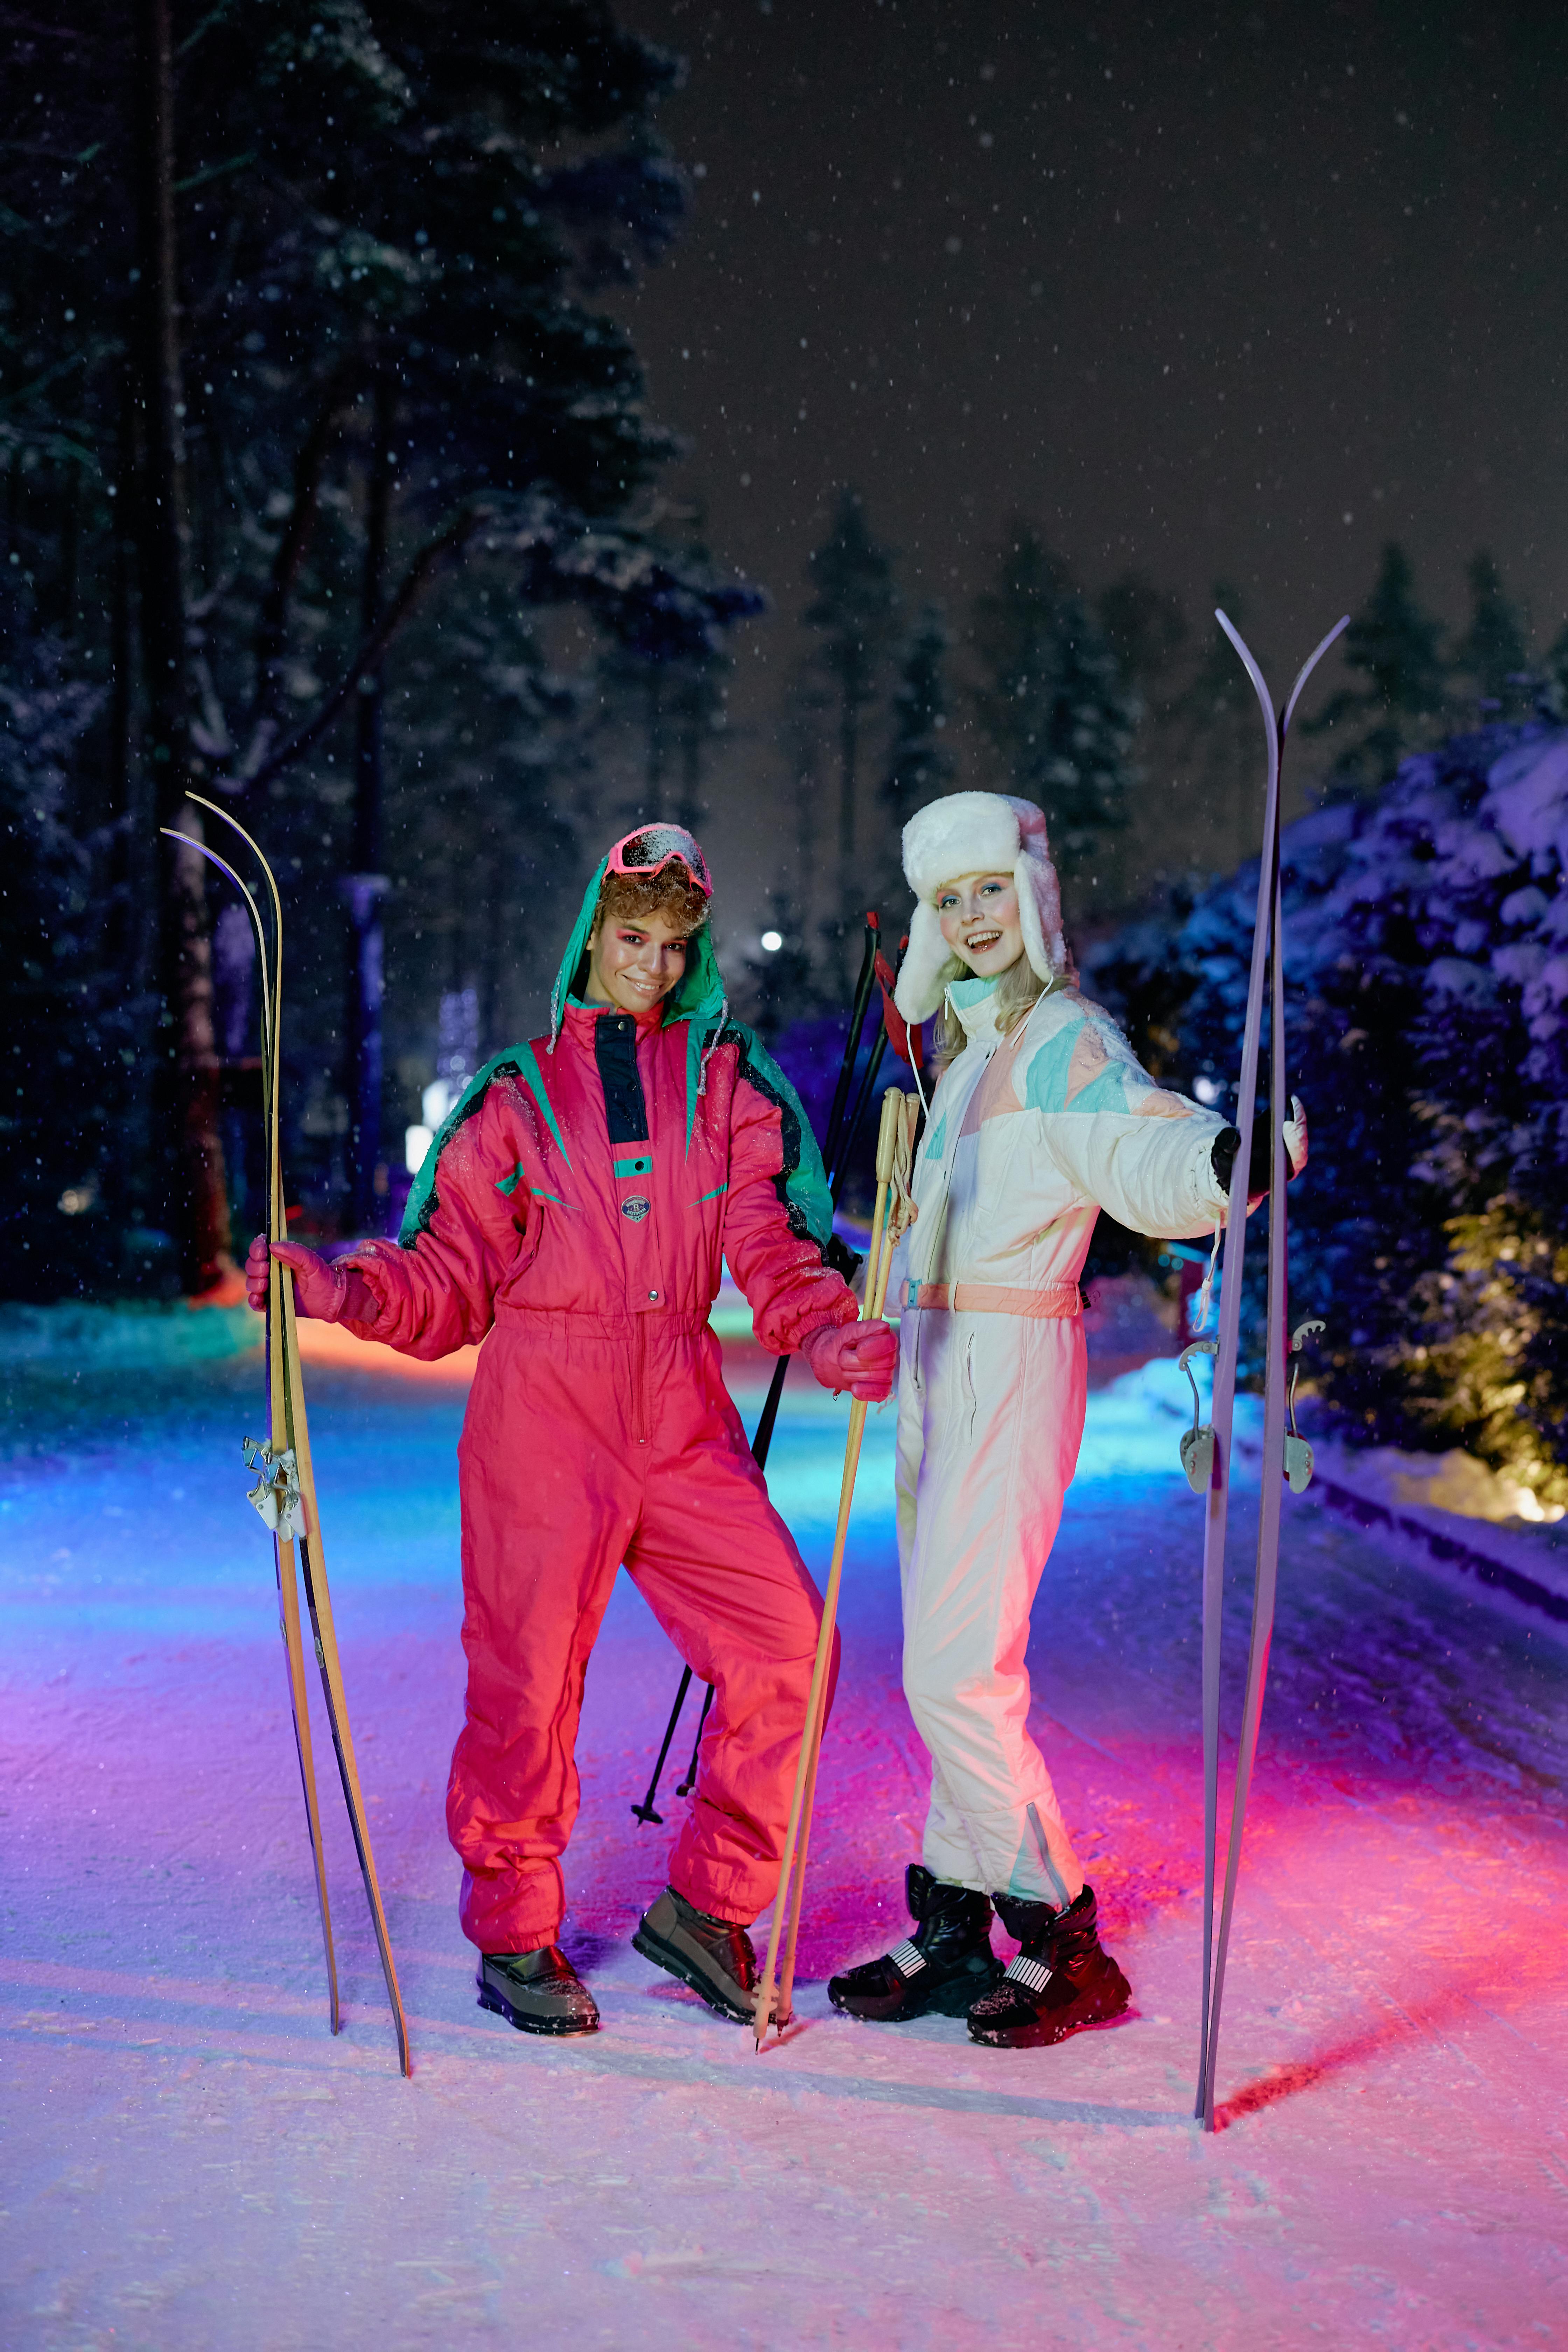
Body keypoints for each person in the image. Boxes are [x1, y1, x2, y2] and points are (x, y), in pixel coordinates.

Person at [246, 824, 896, 2037]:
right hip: (544, 1407)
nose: (650, 963)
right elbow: (445, 1277)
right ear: (591, 933)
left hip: (682, 1401)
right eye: (630, 936)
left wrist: (826, 1333)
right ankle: (515, 1929)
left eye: (673, 943)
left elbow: (777, 1243)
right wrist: (337, 1289)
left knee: (788, 1654)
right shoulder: (514, 1096)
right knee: (529, 1683)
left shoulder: (729, 1083)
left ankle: (711, 1906)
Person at [827, 791, 1304, 2051]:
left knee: (956, 1669)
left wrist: (1224, 1161)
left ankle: (1058, 1933)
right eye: (948, 901)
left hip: (1009, 1354)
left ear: (1030, 893)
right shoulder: (972, 1050)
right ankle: (954, 1923)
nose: (971, 917)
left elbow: (1135, 1145)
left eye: (989, 889)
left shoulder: (1065, 1040)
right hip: (938, 1357)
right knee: (950, 1661)